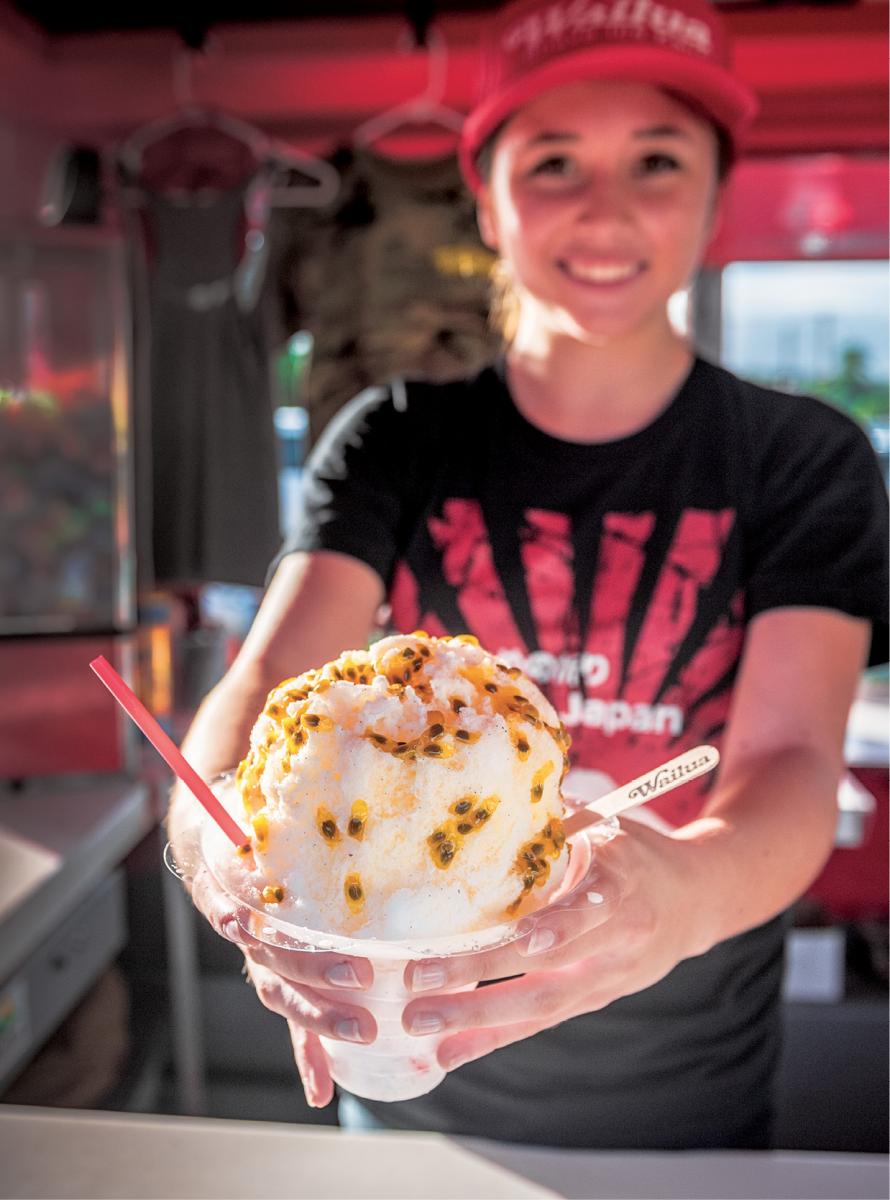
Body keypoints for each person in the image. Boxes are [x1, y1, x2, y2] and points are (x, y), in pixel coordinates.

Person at [169, 0, 889, 1149]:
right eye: (553, 162)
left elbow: (788, 758)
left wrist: (681, 894)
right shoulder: (393, 438)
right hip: (402, 1065)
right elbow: (269, 688)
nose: (604, 208)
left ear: (713, 199)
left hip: (684, 1082)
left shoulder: (803, 460)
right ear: (489, 201)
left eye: (656, 159)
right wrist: (214, 850)